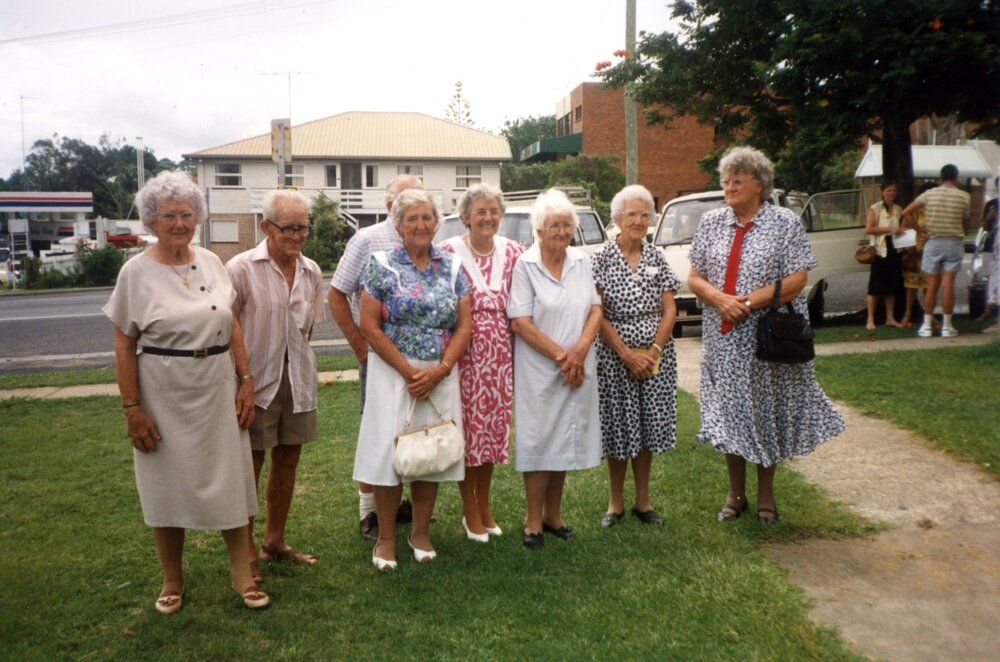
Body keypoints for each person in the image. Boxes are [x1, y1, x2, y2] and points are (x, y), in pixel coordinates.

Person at [104, 171, 268, 612]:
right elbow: (123, 342)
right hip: (163, 390)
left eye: (187, 214)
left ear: (198, 217)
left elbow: (231, 322)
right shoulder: (134, 273)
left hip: (217, 386)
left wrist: (246, 379)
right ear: (152, 221)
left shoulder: (212, 261)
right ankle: (172, 579)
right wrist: (132, 408)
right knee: (165, 484)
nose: (179, 223)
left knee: (231, 479)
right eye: (169, 215)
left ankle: (242, 575)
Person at [686, 147, 845, 524]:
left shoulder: (784, 223)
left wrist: (745, 302)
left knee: (764, 411)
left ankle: (766, 496)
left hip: (763, 338)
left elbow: (797, 279)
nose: (728, 187)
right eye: (725, 181)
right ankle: (735, 493)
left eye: (737, 181)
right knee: (731, 413)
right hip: (723, 338)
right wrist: (721, 301)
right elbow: (694, 277)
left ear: (760, 185)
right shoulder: (711, 222)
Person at [354, 189, 472, 569]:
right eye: (412, 219)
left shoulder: (452, 266)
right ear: (399, 225)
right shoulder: (381, 264)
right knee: (390, 456)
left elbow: (465, 325)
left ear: (437, 222)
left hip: (439, 374)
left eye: (427, 218)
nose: (421, 225)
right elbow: (369, 325)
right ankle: (386, 539)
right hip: (393, 376)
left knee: (431, 454)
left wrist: (439, 371)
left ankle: (420, 532)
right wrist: (409, 372)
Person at [227, 189, 326, 584]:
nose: (298, 235)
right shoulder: (239, 268)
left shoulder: (312, 271)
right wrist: (242, 380)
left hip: (297, 380)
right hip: (255, 382)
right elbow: (226, 326)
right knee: (249, 466)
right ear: (266, 226)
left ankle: (274, 541)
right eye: (289, 227)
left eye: (303, 227)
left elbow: (307, 329)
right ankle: (246, 550)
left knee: (288, 462)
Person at [507, 189, 603, 549]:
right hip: (539, 367)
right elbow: (520, 321)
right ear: (539, 230)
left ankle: (554, 515)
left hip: (577, 365)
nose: (562, 232)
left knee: (564, 435)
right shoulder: (525, 265)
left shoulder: (581, 261)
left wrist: (579, 352)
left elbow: (595, 309)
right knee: (538, 438)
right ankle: (532, 519)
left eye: (567, 225)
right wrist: (565, 358)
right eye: (554, 226)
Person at [329, 175, 421, 541]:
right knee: (376, 431)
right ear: (388, 207)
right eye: (405, 202)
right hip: (379, 357)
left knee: (408, 427)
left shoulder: (426, 241)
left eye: (421, 202)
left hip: (416, 361)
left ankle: (397, 504)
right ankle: (368, 511)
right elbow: (336, 294)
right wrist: (358, 344)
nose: (415, 212)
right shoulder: (367, 239)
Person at [439, 184, 524, 541]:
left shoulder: (515, 251)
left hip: (501, 358)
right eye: (480, 212)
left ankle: (484, 504)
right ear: (465, 218)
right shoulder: (448, 253)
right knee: (468, 434)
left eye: (494, 211)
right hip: (464, 356)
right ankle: (468, 510)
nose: (488, 218)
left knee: (491, 434)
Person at [592, 185, 680, 528]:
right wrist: (627, 354)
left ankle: (643, 501)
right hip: (615, 357)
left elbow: (670, 309)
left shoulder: (657, 256)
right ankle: (615, 503)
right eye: (632, 215)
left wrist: (653, 351)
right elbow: (596, 312)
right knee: (618, 427)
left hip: (656, 357)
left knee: (647, 425)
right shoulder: (600, 258)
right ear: (617, 219)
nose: (639, 221)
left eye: (645, 215)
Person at [901, 164, 971, 338]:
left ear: (941, 178)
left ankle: (926, 326)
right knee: (948, 284)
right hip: (954, 242)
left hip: (932, 242)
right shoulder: (964, 196)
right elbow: (966, 222)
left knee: (931, 284)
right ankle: (947, 326)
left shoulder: (929, 194)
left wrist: (920, 231)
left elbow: (906, 212)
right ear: (956, 178)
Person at [864, 181, 905, 330]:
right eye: (888, 191)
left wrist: (901, 231)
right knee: (874, 287)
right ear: (882, 192)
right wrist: (889, 229)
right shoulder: (875, 208)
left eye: (894, 190)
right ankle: (870, 319)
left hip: (894, 249)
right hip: (880, 249)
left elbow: (899, 228)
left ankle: (890, 317)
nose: (891, 193)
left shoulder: (898, 209)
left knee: (892, 287)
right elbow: (869, 229)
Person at [900, 182, 936, 327]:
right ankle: (907, 315)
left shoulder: (934, 210)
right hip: (915, 251)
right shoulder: (914, 210)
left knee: (929, 285)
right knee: (912, 286)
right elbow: (904, 228)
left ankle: (930, 315)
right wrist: (912, 248)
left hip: (931, 251)